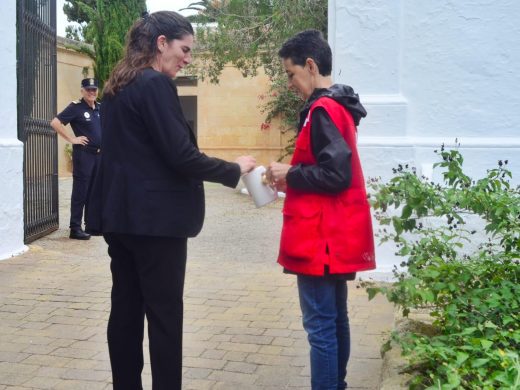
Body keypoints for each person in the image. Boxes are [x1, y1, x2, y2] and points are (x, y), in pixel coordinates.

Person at [85, 11, 256, 390]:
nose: (188, 58)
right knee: (164, 317)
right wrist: (234, 168)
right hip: (157, 224)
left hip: (121, 220)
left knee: (125, 312)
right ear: (161, 43)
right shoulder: (155, 85)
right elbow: (179, 155)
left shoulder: (116, 86)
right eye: (184, 49)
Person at [266, 30, 376, 390]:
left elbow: (336, 173)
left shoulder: (323, 110)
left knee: (320, 327)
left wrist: (289, 173)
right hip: (332, 233)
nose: (290, 83)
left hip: (318, 238)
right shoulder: (338, 106)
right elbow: (332, 171)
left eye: (291, 73)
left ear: (310, 66)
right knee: (334, 320)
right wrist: (292, 178)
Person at [50, 77, 101, 240]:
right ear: (82, 91)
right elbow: (55, 123)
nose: (92, 92)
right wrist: (72, 139)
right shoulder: (76, 107)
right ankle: (75, 227)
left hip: (99, 155)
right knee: (81, 191)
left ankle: (91, 225)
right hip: (84, 155)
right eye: (88, 90)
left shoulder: (99, 108)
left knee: (94, 191)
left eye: (94, 89)